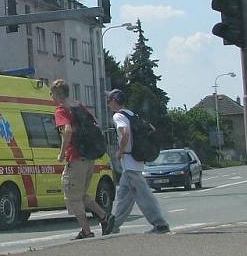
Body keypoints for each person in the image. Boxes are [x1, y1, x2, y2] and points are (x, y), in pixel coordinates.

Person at [51, 79, 115, 239]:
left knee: (72, 197)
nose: (51, 97)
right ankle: (104, 216)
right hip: (88, 157)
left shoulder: (61, 110)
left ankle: (87, 231)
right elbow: (95, 124)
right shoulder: (77, 105)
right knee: (81, 194)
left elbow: (67, 131)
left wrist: (61, 153)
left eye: (51, 94)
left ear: (56, 95)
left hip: (75, 158)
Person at [106, 89, 170, 234]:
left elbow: (125, 133)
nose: (108, 104)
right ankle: (114, 226)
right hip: (136, 158)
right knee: (124, 195)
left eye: (109, 101)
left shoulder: (118, 116)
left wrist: (120, 151)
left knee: (143, 194)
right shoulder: (131, 114)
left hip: (129, 161)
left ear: (114, 101)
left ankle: (160, 223)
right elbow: (151, 129)